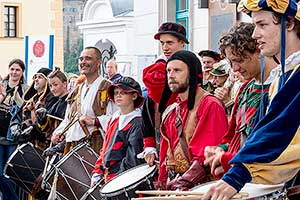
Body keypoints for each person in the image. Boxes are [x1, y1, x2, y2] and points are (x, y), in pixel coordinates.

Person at [202, 0, 300, 199]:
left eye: (262, 25)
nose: (255, 34)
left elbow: (282, 133)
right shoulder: (282, 78)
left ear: (289, 23)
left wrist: (238, 175)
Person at [204, 22, 277, 179]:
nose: (235, 68)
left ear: (259, 51)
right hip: (242, 179)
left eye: (240, 60)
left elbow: (274, 147)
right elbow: (232, 136)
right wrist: (220, 149)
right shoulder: (245, 89)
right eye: (231, 62)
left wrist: (227, 159)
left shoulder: (280, 87)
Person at [155, 50, 228, 191]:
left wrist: (184, 182)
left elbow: (207, 156)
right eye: (168, 70)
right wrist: (162, 185)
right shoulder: (171, 111)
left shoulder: (210, 105)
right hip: (177, 187)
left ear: (192, 73)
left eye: (177, 70)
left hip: (203, 188)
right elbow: (165, 156)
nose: (171, 75)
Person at [51, 46, 117, 154]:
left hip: (97, 147)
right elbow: (68, 119)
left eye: (88, 58)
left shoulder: (108, 88)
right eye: (81, 59)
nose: (83, 62)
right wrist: (58, 132)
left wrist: (95, 121)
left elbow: (117, 118)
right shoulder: (76, 91)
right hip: (73, 148)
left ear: (99, 62)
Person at [141, 22, 188, 166]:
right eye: (162, 43)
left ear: (182, 43)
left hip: (186, 135)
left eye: (169, 43)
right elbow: (148, 109)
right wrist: (149, 145)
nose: (165, 48)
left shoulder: (192, 67)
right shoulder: (158, 69)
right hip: (161, 134)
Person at [91, 76, 145, 186]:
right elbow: (105, 147)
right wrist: (98, 170)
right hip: (109, 177)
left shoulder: (137, 123)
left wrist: (115, 178)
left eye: (123, 92)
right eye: (115, 93)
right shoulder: (114, 118)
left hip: (125, 179)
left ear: (134, 96)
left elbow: (133, 160)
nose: (118, 95)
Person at [0, 58, 28, 200]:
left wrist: (18, 99)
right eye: (12, 69)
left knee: (10, 173)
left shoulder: (26, 89)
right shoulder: (1, 85)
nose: (14, 72)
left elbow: (28, 111)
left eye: (17, 69)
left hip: (13, 137)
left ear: (22, 72)